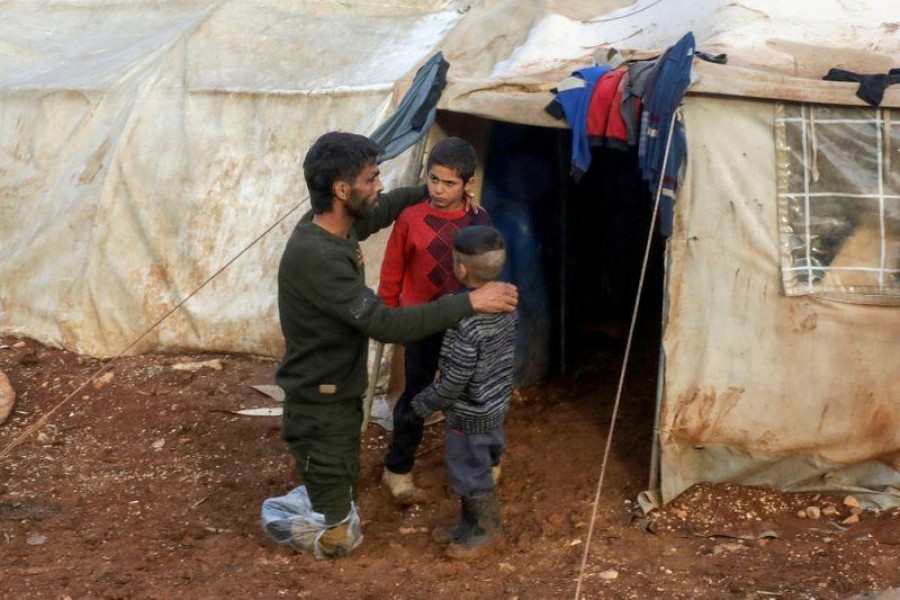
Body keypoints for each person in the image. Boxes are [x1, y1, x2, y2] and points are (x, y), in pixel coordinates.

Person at [276, 131, 517, 559]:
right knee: (338, 525)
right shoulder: (320, 256)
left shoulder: (334, 224)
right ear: (342, 189)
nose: (380, 186)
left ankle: (330, 493)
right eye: (372, 178)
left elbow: (388, 208)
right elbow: (384, 323)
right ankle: (323, 512)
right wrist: (469, 301)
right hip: (321, 392)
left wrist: (441, 196)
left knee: (343, 466)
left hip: (340, 386)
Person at [378, 136, 492, 505]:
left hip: (466, 322)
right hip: (421, 320)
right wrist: (389, 314)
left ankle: (482, 463)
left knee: (476, 393)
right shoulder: (410, 218)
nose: (439, 189)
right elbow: (392, 269)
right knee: (417, 394)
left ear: (467, 185)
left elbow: (487, 269)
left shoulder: (479, 218)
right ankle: (397, 469)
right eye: (434, 180)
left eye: (449, 183)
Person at [411, 226, 517, 560]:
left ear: (460, 268)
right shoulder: (508, 303)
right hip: (495, 403)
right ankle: (468, 525)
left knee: (469, 471)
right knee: (479, 464)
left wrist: (426, 402)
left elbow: (456, 377)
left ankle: (486, 531)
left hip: (469, 413)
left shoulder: (466, 322)